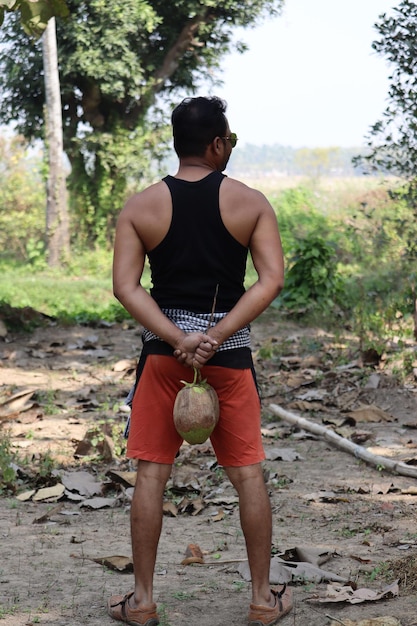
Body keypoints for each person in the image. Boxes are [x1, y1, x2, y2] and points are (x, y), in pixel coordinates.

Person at [107, 96, 292, 626]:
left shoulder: (141, 207)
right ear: (216, 144)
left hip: (164, 361)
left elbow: (126, 286)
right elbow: (271, 279)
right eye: (228, 141)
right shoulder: (250, 203)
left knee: (151, 474)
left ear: (176, 143)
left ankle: (141, 602)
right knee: (249, 475)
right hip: (229, 360)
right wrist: (215, 335)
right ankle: (262, 599)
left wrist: (178, 339)